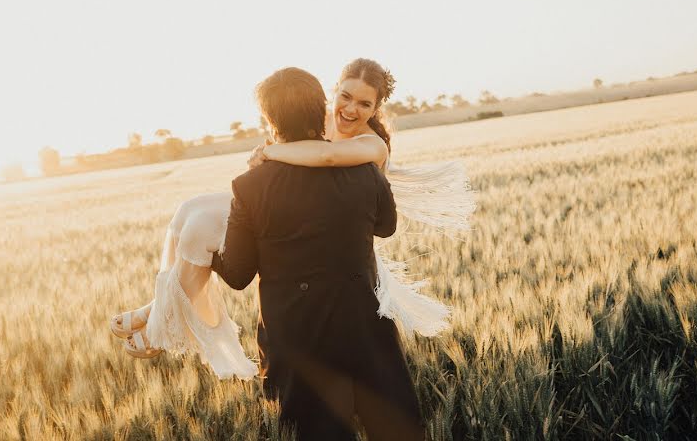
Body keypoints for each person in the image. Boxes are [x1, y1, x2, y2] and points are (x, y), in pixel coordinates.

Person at [109, 59, 474, 379]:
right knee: (191, 212)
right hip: (294, 208)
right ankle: (158, 308)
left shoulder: (372, 143)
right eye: (345, 96)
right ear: (335, 89)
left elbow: (326, 160)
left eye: (364, 103)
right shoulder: (321, 120)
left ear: (377, 107)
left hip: (325, 227)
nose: (349, 110)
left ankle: (159, 326)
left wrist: (271, 150)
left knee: (204, 226)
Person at [212, 66, 423, 439]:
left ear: (268, 119)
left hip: (298, 344)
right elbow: (386, 226)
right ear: (324, 104)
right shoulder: (365, 169)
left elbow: (238, 274)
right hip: (365, 329)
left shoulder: (248, 185)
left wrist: (208, 250)